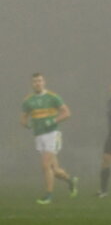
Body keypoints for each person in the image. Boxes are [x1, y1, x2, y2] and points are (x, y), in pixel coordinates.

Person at [21, 73, 78, 204]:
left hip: (52, 134)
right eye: (35, 81)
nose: (38, 83)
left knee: (45, 165)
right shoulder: (28, 100)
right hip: (39, 136)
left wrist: (53, 120)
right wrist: (28, 125)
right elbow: (23, 118)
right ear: (32, 84)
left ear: (44, 82)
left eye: (40, 81)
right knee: (54, 170)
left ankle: (48, 195)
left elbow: (67, 113)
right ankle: (71, 180)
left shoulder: (53, 97)